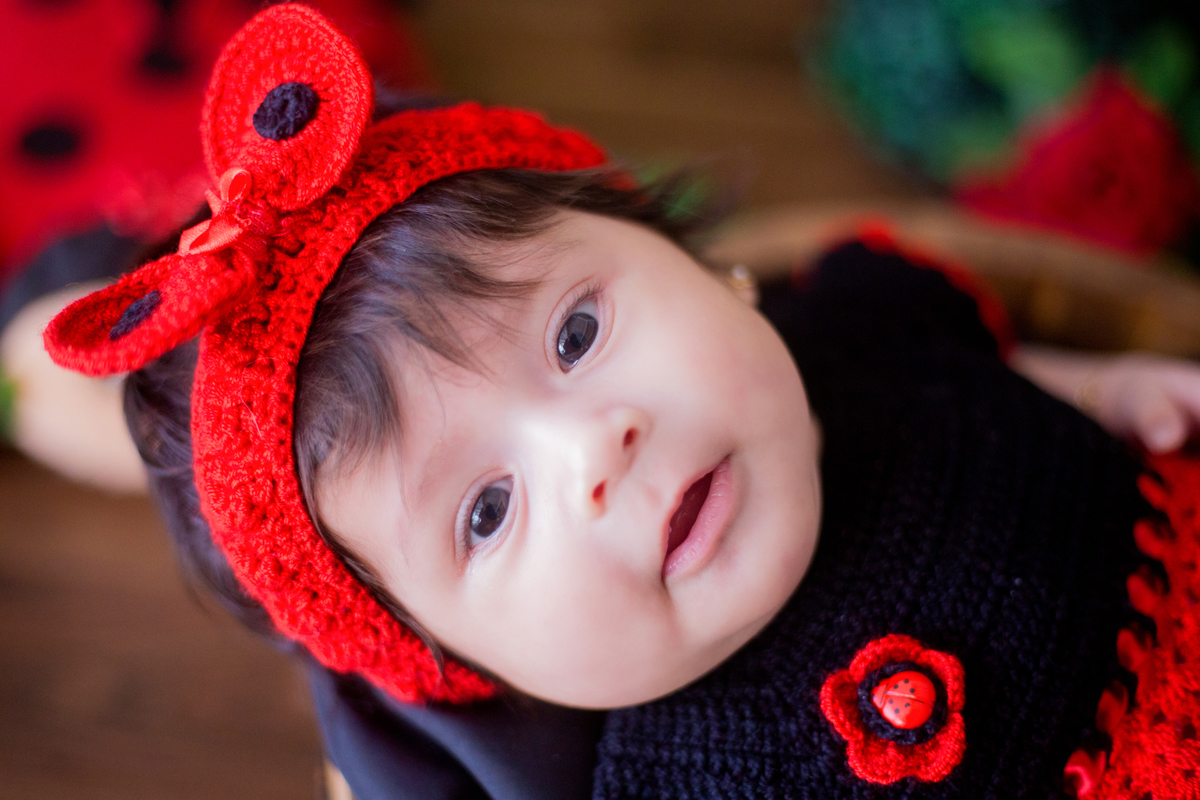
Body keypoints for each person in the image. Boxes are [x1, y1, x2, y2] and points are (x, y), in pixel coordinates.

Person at [44, 5, 1200, 799]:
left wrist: (1105, 385)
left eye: (578, 332)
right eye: (487, 511)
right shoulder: (667, 774)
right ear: (470, 668)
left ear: (713, 272)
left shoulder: (863, 332)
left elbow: (987, 357)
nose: (596, 447)